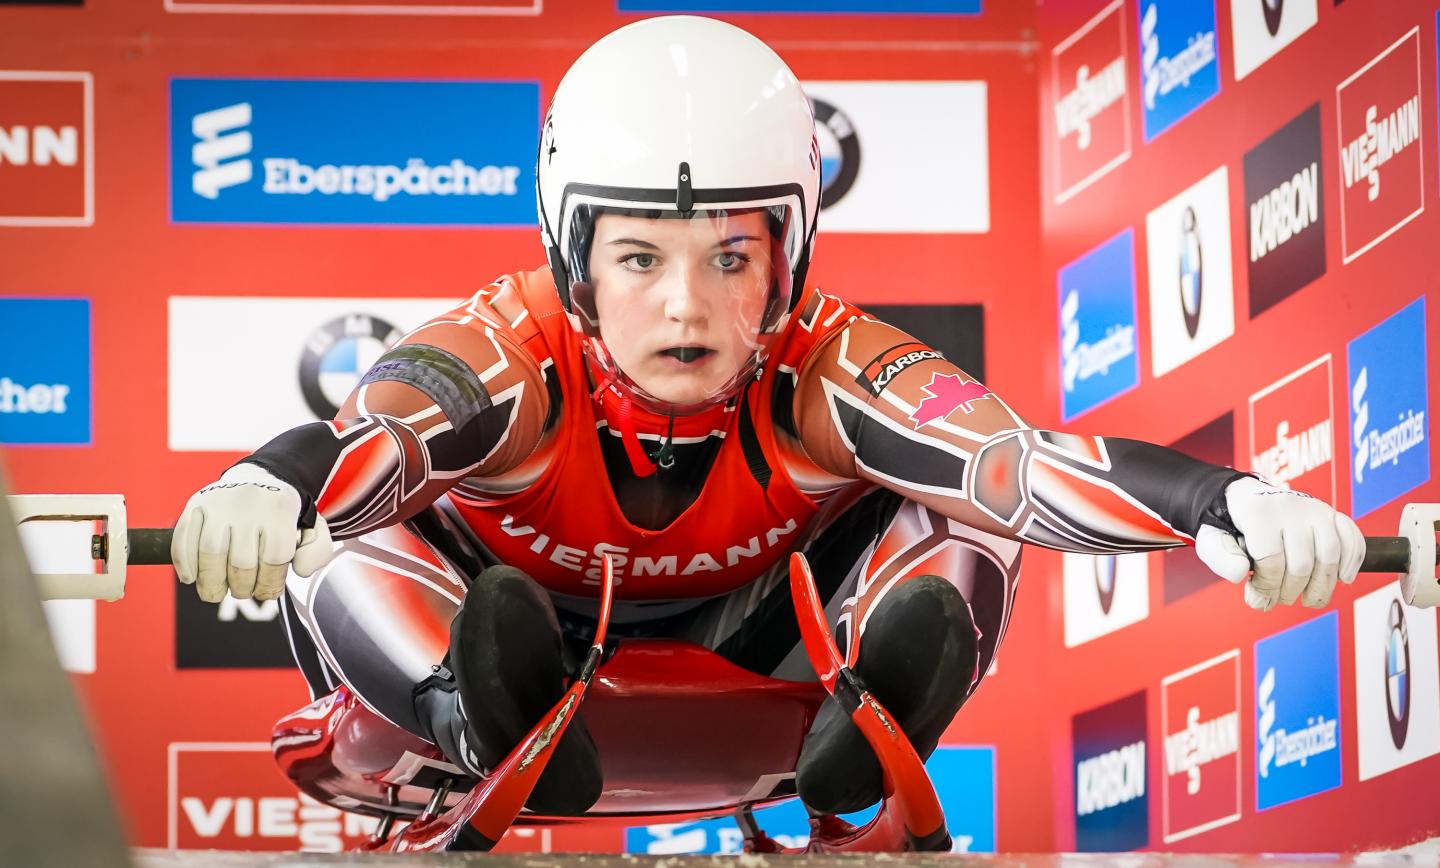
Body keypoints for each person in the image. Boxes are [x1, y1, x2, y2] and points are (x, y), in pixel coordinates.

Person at [170, 15, 1365, 819]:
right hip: (468, 673)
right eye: (639, 255)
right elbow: (365, 442)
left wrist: (1227, 502)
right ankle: (479, 714)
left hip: (771, 679)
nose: (687, 306)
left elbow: (1016, 463)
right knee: (343, 516)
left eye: (732, 255)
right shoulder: (508, 349)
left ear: (792, 249)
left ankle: (886, 713)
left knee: (961, 497)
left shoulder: (829, 362)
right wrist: (261, 488)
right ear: (571, 254)